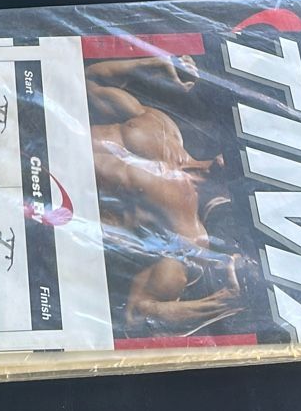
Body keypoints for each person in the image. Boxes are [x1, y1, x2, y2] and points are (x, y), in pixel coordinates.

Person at [84, 53, 248, 336]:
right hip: (25, 145)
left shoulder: (189, 233)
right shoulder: (162, 126)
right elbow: (88, 81)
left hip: (36, 209)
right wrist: (152, 63)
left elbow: (138, 313)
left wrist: (223, 303)